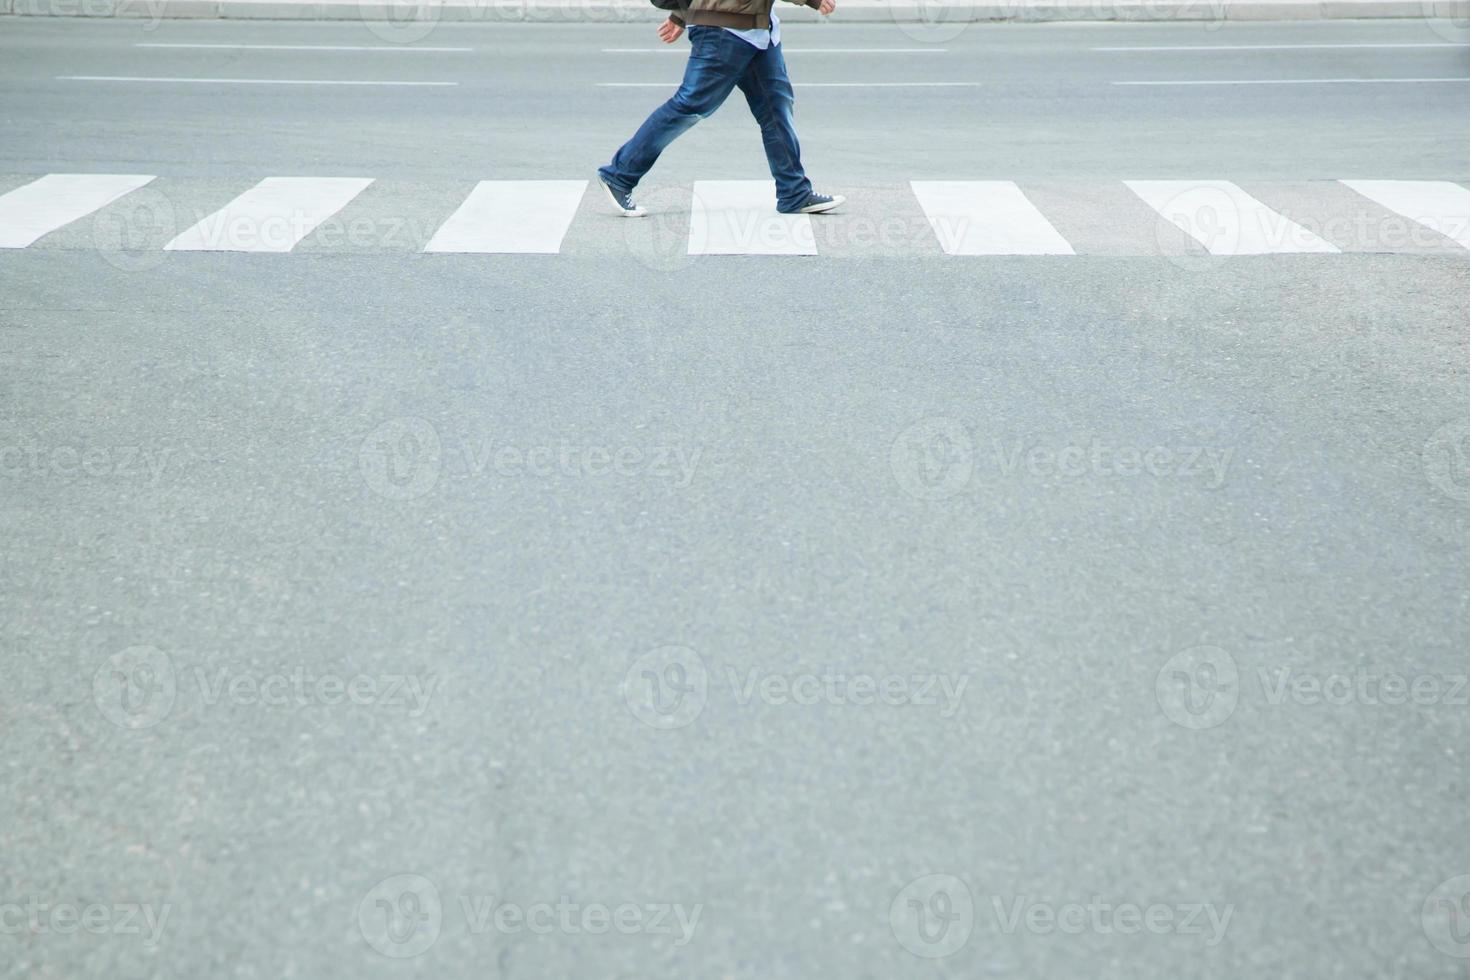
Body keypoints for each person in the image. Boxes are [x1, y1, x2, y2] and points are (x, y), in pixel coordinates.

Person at [597, 0, 844, 218]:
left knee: (776, 110)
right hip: (725, 31)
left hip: (756, 28)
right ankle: (619, 176)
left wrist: (682, 15)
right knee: (689, 106)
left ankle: (794, 193)